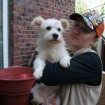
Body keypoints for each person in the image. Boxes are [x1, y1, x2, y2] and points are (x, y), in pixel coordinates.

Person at [29, 10, 104, 105]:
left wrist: (38, 57)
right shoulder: (70, 54)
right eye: (76, 25)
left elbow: (49, 75)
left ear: (94, 40)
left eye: (85, 30)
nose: (76, 31)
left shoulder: (91, 60)